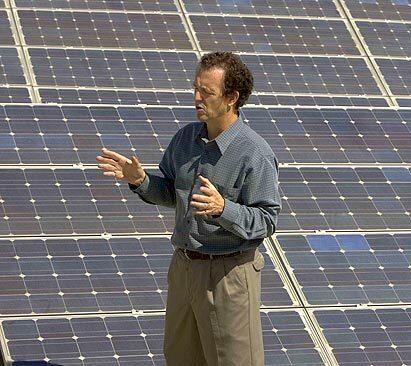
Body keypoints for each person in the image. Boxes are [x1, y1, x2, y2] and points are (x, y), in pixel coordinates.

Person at [96, 51, 281, 366]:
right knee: (181, 359)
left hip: (228, 275)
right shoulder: (185, 139)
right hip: (183, 268)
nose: (196, 98)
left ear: (232, 97)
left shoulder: (255, 153)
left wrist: (224, 209)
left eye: (206, 92)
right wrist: (140, 181)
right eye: (196, 89)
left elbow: (266, 221)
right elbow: (171, 193)